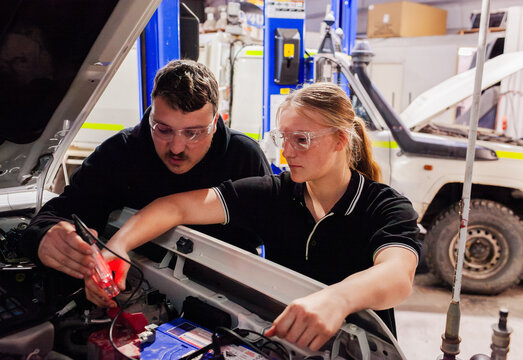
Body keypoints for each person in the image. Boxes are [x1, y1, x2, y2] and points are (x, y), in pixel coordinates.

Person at [87, 82, 421, 350]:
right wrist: (117, 249)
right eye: (283, 138)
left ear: (341, 140)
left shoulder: (384, 207)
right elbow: (175, 207)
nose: (286, 152)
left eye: (301, 140)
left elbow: (397, 274)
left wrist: (337, 299)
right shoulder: (272, 194)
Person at [19, 59, 272, 305]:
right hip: (135, 291)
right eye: (163, 129)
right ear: (149, 116)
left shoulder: (244, 158)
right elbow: (57, 213)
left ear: (215, 123)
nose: (176, 147)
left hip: (231, 299)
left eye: (193, 133)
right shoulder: (120, 152)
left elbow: (270, 237)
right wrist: (44, 237)